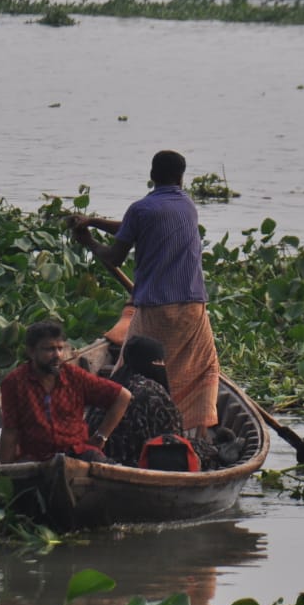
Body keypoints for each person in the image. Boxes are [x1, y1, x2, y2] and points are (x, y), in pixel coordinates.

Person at [68, 150, 220, 439]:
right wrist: (93, 221)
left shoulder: (141, 209)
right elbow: (133, 228)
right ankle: (199, 434)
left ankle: (111, 426)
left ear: (152, 177)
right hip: (193, 308)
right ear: (181, 178)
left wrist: (88, 241)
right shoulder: (187, 206)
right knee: (204, 367)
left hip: (155, 309)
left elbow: (114, 256)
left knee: (131, 368)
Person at [0, 320, 131, 463]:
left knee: (107, 468)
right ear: (31, 352)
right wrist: (5, 470)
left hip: (77, 453)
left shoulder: (74, 375)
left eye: (60, 349)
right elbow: (10, 430)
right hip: (37, 458)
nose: (57, 355)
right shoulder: (14, 382)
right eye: (49, 349)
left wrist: (101, 436)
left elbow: (123, 396)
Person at [88, 335, 184, 466]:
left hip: (96, 455)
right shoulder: (152, 392)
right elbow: (175, 438)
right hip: (136, 462)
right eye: (158, 361)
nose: (162, 365)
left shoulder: (113, 382)